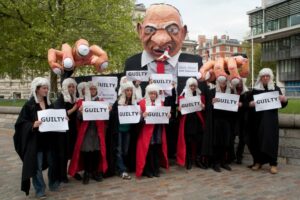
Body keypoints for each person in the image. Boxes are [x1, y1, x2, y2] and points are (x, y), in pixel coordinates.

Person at [13, 77, 60, 198]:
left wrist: (62, 119)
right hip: (36, 142)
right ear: (37, 89)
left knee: (52, 162)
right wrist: (32, 125)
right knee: (37, 167)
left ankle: (53, 183)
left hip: (49, 140)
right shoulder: (29, 105)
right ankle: (40, 189)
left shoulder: (49, 103)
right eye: (44, 88)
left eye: (47, 88)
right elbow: (20, 123)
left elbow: (55, 118)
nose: (47, 90)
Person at [247, 68, 288, 174]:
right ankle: (258, 162)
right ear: (260, 78)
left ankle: (273, 164)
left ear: (270, 77)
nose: (265, 78)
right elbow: (249, 104)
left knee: (271, 141)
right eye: (263, 76)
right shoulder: (255, 90)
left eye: (267, 76)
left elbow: (282, 104)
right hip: (257, 120)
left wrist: (284, 100)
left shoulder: (275, 88)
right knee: (257, 141)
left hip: (271, 120)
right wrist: (251, 104)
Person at [68, 82, 109, 184]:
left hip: (97, 131)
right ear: (87, 90)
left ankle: (95, 172)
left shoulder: (101, 102)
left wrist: (109, 111)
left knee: (96, 151)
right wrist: (80, 113)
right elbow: (77, 118)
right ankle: (87, 172)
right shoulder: (82, 102)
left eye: (94, 89)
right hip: (85, 131)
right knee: (86, 152)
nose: (93, 90)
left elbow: (106, 118)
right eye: (91, 89)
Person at [136, 83, 170, 178]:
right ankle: (148, 170)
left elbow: (164, 117)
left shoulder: (161, 103)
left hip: (157, 130)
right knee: (148, 151)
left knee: (156, 150)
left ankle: (156, 169)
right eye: (151, 93)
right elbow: (137, 119)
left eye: (155, 94)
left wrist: (168, 116)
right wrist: (143, 116)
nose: (153, 95)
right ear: (148, 93)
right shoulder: (142, 103)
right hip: (146, 132)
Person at [177, 78, 206, 170]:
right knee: (188, 141)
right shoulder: (183, 96)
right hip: (188, 122)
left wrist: (203, 106)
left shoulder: (200, 95)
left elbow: (204, 109)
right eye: (191, 86)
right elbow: (178, 110)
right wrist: (179, 109)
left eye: (194, 86)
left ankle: (197, 160)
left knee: (198, 141)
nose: (193, 87)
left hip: (197, 121)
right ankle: (189, 160)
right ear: (188, 86)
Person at [112, 79, 138, 179]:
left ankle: (121, 167)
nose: (129, 92)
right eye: (127, 90)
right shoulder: (118, 103)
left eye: (130, 90)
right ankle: (122, 170)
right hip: (119, 130)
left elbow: (136, 118)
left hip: (128, 130)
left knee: (125, 150)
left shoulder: (134, 103)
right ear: (123, 91)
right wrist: (119, 109)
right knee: (118, 150)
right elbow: (113, 116)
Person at [53, 78, 78, 183]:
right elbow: (60, 114)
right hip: (63, 131)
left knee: (73, 152)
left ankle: (73, 171)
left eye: (73, 86)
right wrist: (75, 108)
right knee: (64, 152)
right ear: (65, 87)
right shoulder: (61, 99)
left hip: (73, 129)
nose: (71, 88)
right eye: (69, 86)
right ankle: (62, 174)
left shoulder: (75, 98)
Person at [210, 78, 235, 172]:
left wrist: (237, 104)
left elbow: (234, 106)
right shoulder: (212, 92)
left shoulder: (231, 92)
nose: (223, 83)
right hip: (216, 120)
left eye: (225, 81)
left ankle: (223, 162)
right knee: (217, 142)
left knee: (226, 142)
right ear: (218, 82)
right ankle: (215, 163)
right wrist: (212, 103)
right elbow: (208, 108)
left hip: (227, 120)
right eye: (221, 81)